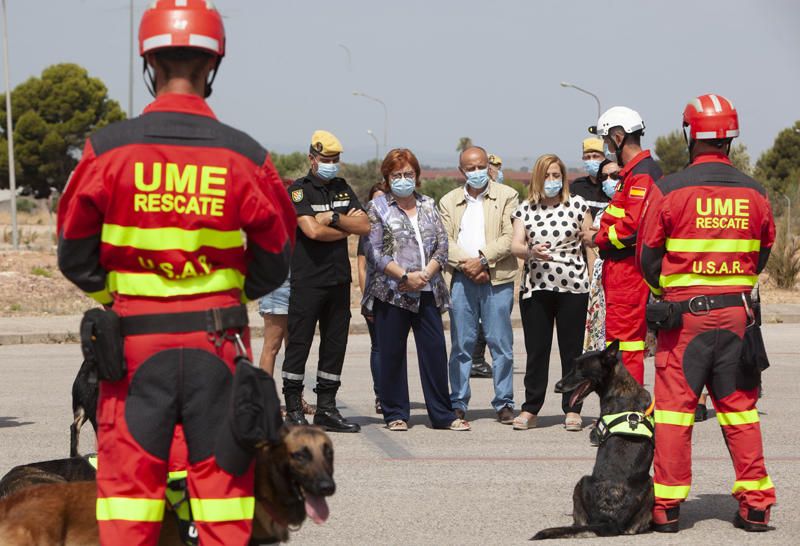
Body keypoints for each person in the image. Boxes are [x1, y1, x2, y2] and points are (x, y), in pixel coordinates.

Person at [56, 2, 295, 543]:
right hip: (218, 346)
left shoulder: (107, 150)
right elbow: (277, 255)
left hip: (134, 353)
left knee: (129, 505)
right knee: (223, 504)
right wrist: (228, 292)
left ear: (150, 64)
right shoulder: (245, 155)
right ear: (213, 68)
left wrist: (119, 294)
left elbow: (73, 253)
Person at [638, 93, 776, 533]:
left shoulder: (671, 189)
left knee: (676, 413)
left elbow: (647, 258)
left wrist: (671, 290)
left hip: (684, 321)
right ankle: (756, 506)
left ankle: (668, 509)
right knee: (739, 410)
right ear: (731, 139)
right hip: (737, 318)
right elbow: (764, 252)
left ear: (689, 135)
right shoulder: (755, 192)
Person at [363, 148, 470, 432]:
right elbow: (374, 252)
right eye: (396, 175)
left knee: (434, 353)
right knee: (392, 354)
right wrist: (404, 276)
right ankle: (395, 412)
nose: (403, 179)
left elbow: (442, 245)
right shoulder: (377, 208)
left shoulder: (427, 204)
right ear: (387, 177)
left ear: (417, 176)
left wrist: (427, 273)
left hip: (428, 289)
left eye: (408, 174)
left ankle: (442, 415)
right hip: (393, 291)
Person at [282, 130, 370, 432]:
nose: (331, 164)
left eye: (335, 160)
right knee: (299, 342)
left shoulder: (343, 188)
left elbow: (366, 225)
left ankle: (327, 408)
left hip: (337, 280)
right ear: (312, 159)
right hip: (308, 280)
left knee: (335, 344)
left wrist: (333, 218)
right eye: (326, 159)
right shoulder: (299, 190)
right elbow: (312, 232)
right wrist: (347, 227)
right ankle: (293, 406)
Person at [510, 154, 592, 431]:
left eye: (557, 175)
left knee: (572, 352)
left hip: (574, 288)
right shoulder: (525, 209)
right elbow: (516, 245)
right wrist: (531, 251)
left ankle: (573, 408)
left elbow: (589, 246)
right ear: (537, 178)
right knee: (537, 351)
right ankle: (531, 407)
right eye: (547, 175)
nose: (552, 181)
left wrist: (594, 285)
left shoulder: (578, 205)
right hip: (537, 289)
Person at [439, 146, 518, 424]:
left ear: (489, 166)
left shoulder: (507, 196)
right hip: (462, 280)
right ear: (461, 171)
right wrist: (469, 266)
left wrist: (483, 260)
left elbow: (511, 236)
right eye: (470, 168)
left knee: (501, 344)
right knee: (462, 344)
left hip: (497, 280)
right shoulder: (448, 201)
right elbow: (443, 241)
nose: (476, 172)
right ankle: (458, 401)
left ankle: (505, 401)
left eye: (480, 166)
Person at [587, 106, 662, 385]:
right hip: (621, 269)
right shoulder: (633, 173)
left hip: (628, 271)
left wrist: (597, 238)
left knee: (625, 344)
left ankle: (628, 410)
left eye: (607, 142)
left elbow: (632, 228)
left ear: (618, 138)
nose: (607, 148)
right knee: (620, 341)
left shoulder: (642, 175)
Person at [469, 152, 506, 379]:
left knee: (490, 322)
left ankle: (479, 359)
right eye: (490, 167)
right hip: (473, 264)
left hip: (496, 265)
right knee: (477, 320)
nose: (494, 171)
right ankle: (476, 359)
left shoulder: (504, 196)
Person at [357, 183, 387, 414]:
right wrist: (366, 295)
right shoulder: (367, 229)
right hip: (374, 296)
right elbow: (361, 265)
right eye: (375, 199)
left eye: (383, 198)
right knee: (378, 346)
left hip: (398, 294)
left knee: (393, 347)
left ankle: (394, 391)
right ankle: (381, 395)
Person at [570, 137, 611, 218]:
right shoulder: (576, 187)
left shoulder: (612, 186)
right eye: (587, 157)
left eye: (596, 156)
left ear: (606, 158)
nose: (591, 160)